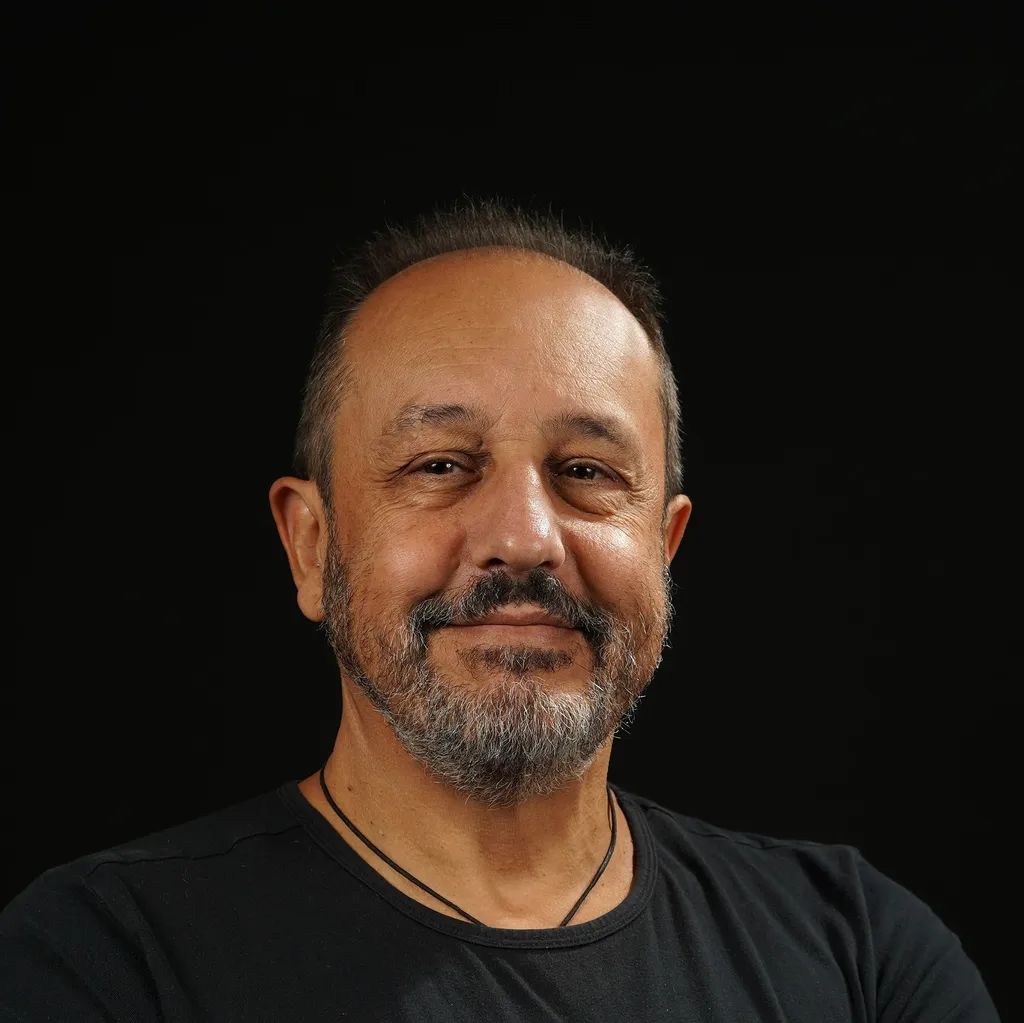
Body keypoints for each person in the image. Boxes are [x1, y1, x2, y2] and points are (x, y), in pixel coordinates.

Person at [0, 200, 1000, 1021]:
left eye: (586, 471)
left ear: (663, 548)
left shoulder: (861, 954)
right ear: (310, 546)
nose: (523, 538)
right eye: (440, 465)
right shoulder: (105, 961)